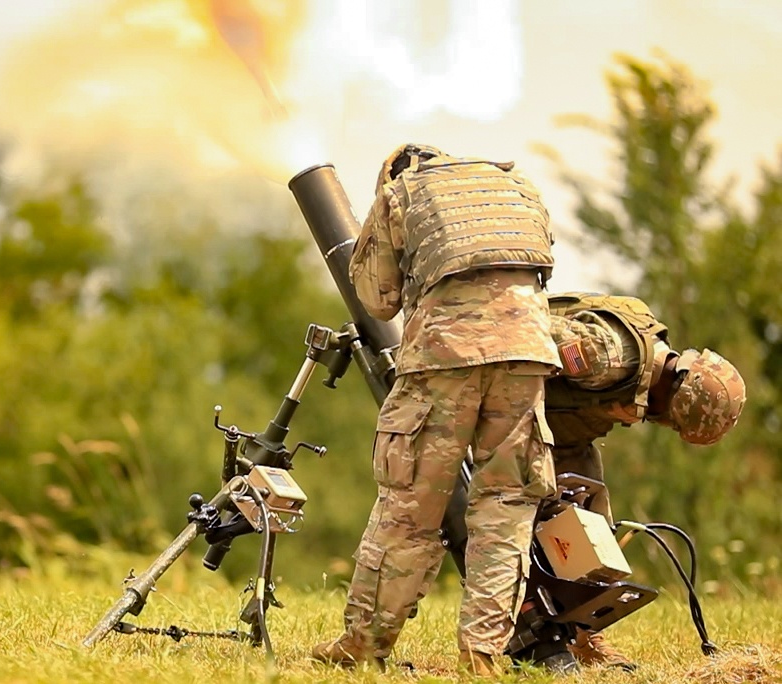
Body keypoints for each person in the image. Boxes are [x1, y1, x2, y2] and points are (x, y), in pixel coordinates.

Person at [311, 143, 561, 676]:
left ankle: (364, 643)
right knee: (507, 507)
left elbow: (378, 300)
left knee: (410, 507)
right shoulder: (516, 184)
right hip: (528, 349)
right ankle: (483, 653)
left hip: (447, 355)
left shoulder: (401, 193)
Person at [543, 291, 747, 669]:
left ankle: (580, 637)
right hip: (493, 410)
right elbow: (516, 333)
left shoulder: (641, 378)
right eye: (671, 421)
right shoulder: (608, 357)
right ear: (673, 403)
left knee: (592, 522)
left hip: (555, 435)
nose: (661, 424)